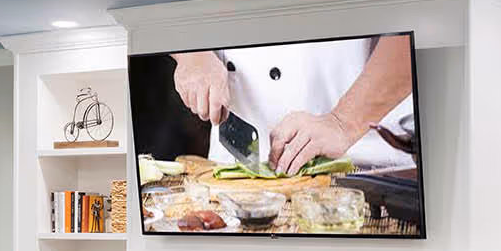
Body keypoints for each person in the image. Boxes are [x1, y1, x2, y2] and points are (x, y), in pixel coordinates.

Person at [170, 34, 416, 174]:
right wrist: (191, 53)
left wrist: (343, 123)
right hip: (233, 173)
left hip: (363, 170)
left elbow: (416, 15)